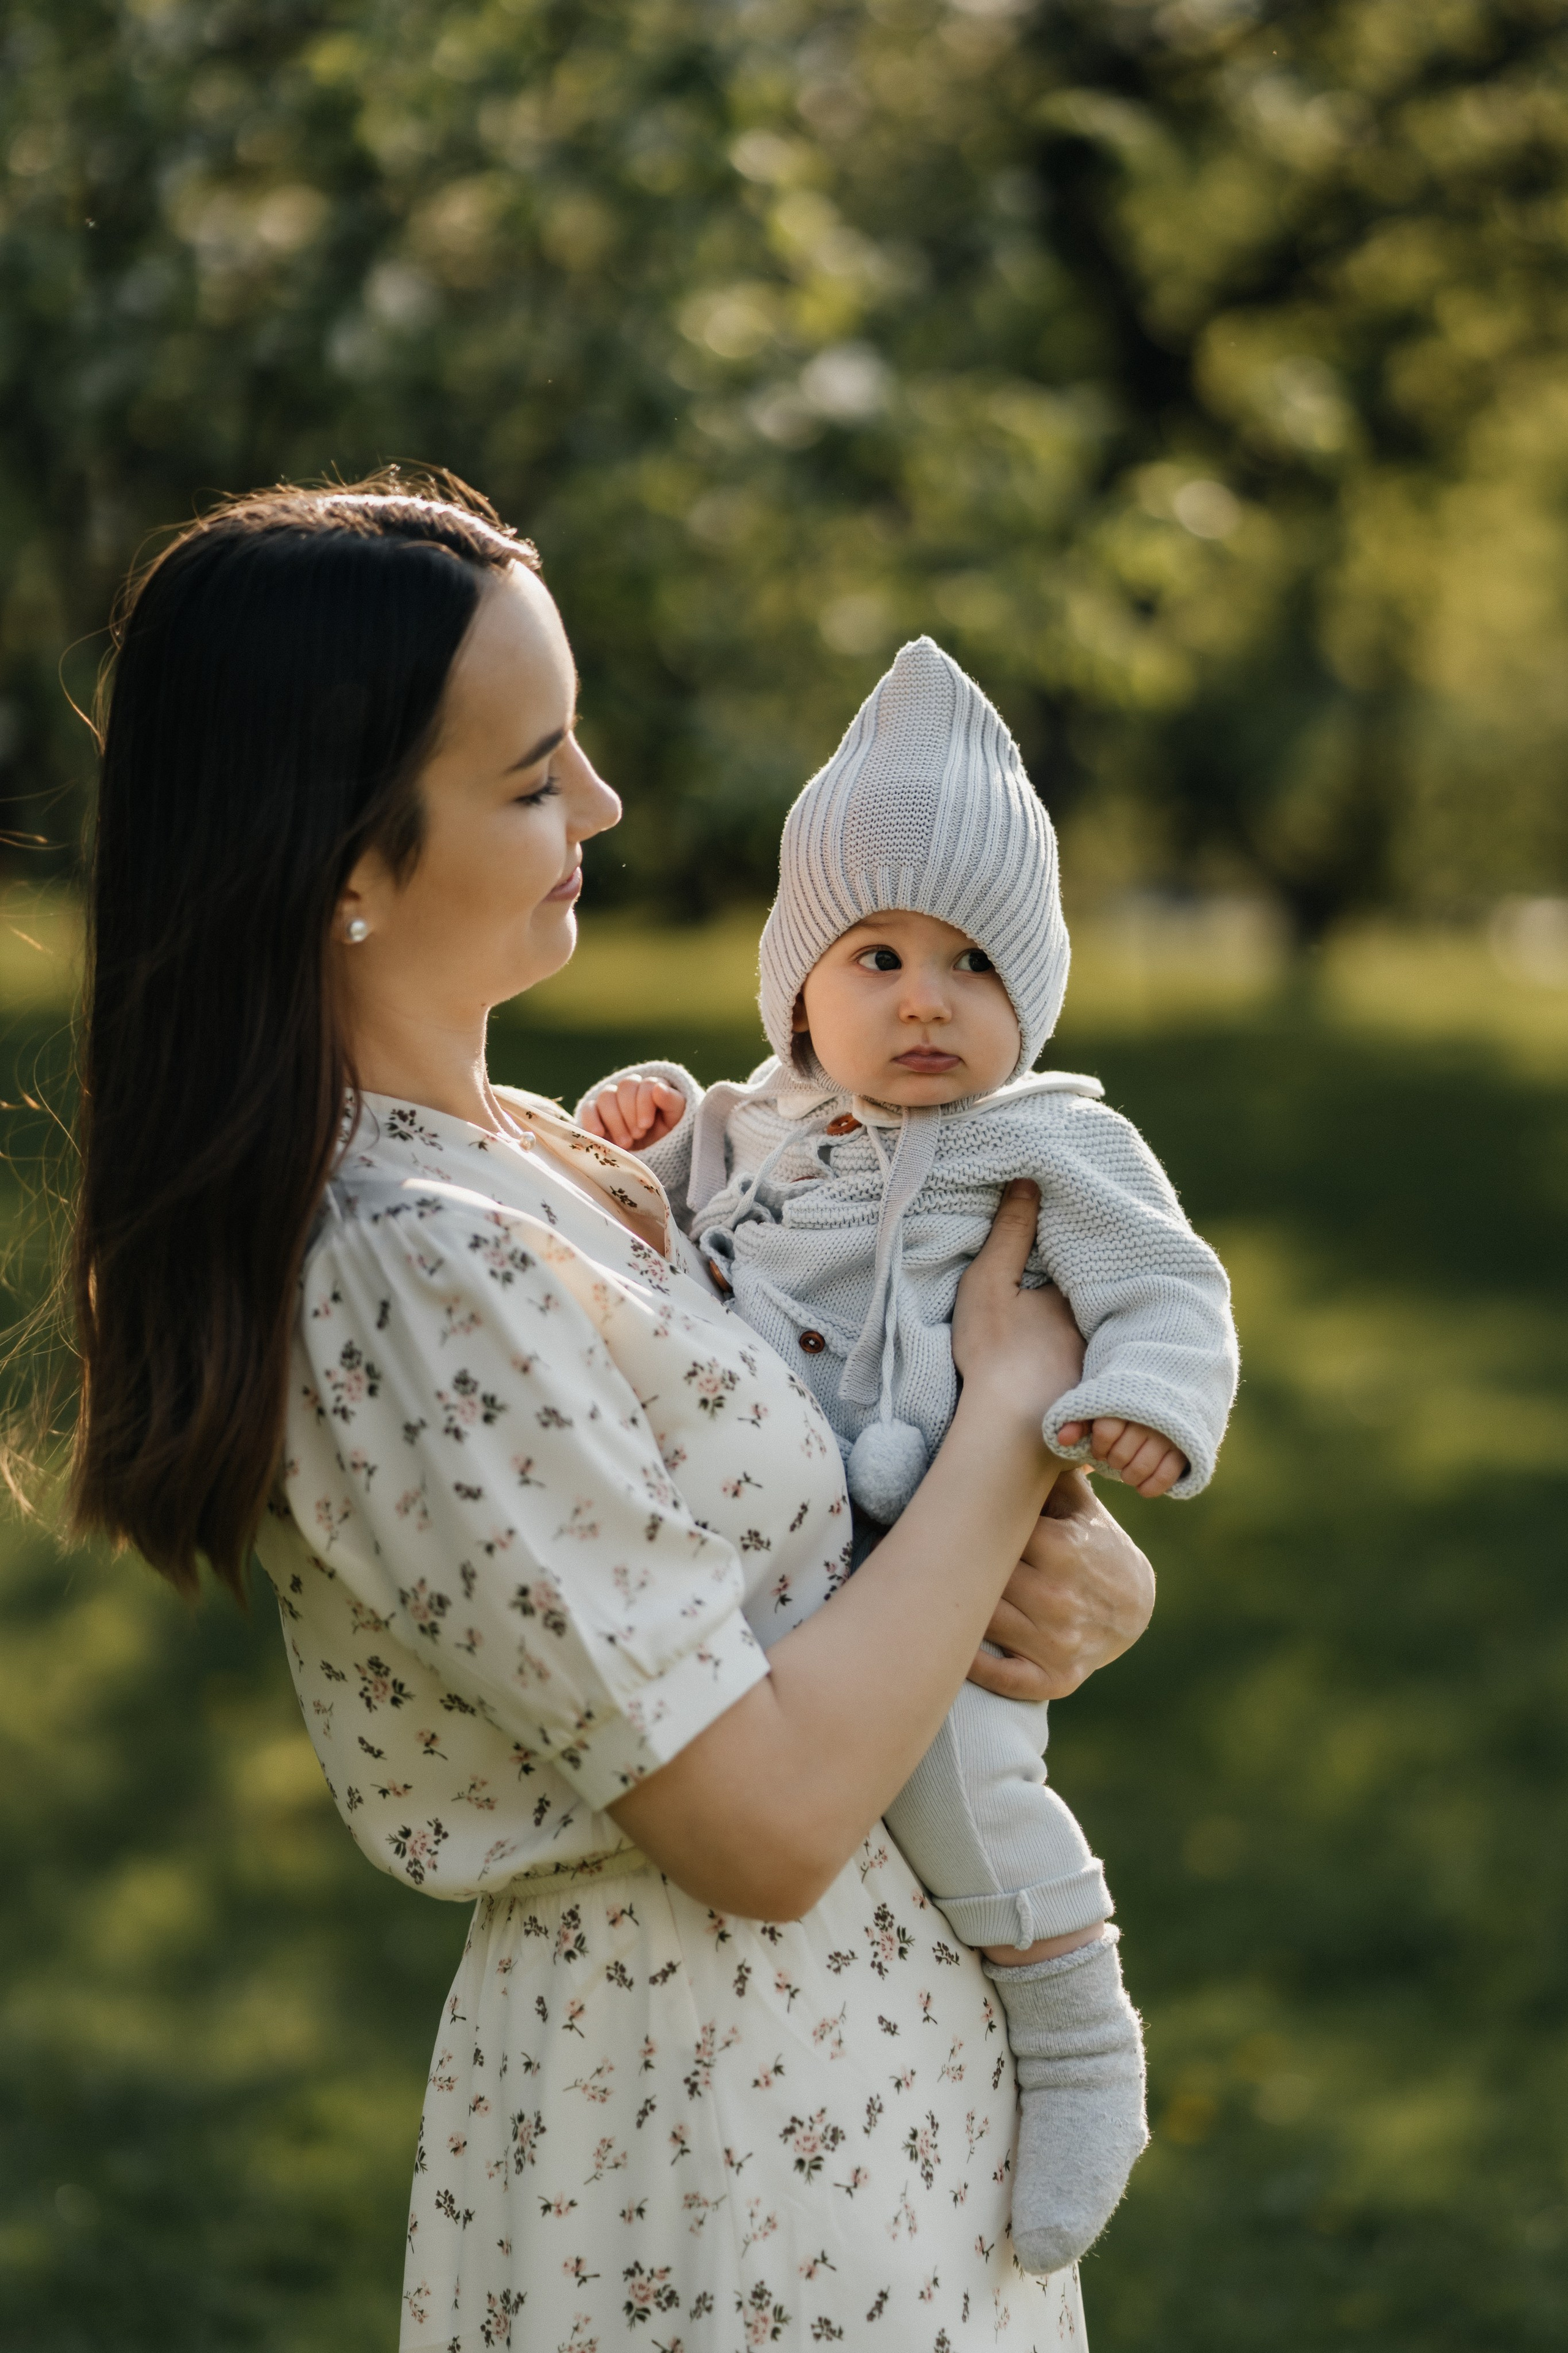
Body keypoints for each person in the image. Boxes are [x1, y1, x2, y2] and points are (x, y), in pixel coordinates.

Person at [69, 474, 1157, 2351]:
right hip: (703, 2142)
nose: (605, 806)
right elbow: (763, 1818)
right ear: (339, 852)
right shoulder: (404, 1270)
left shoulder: (569, 1160)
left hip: (876, 2097)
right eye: (532, 775)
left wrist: (1076, 1560)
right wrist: (1015, 1411)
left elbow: (834, 1555)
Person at [578, 636, 1238, 2272]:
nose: (924, 997)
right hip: (757, 1591)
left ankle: (1079, 2027)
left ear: (1037, 994)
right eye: (873, 955)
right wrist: (642, 1127)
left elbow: (1170, 1285)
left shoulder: (1051, 1138)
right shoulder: (753, 1125)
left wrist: (1147, 1401)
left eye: (970, 963)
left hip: (936, 1575)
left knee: (963, 1785)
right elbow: (646, 1237)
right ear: (797, 987)